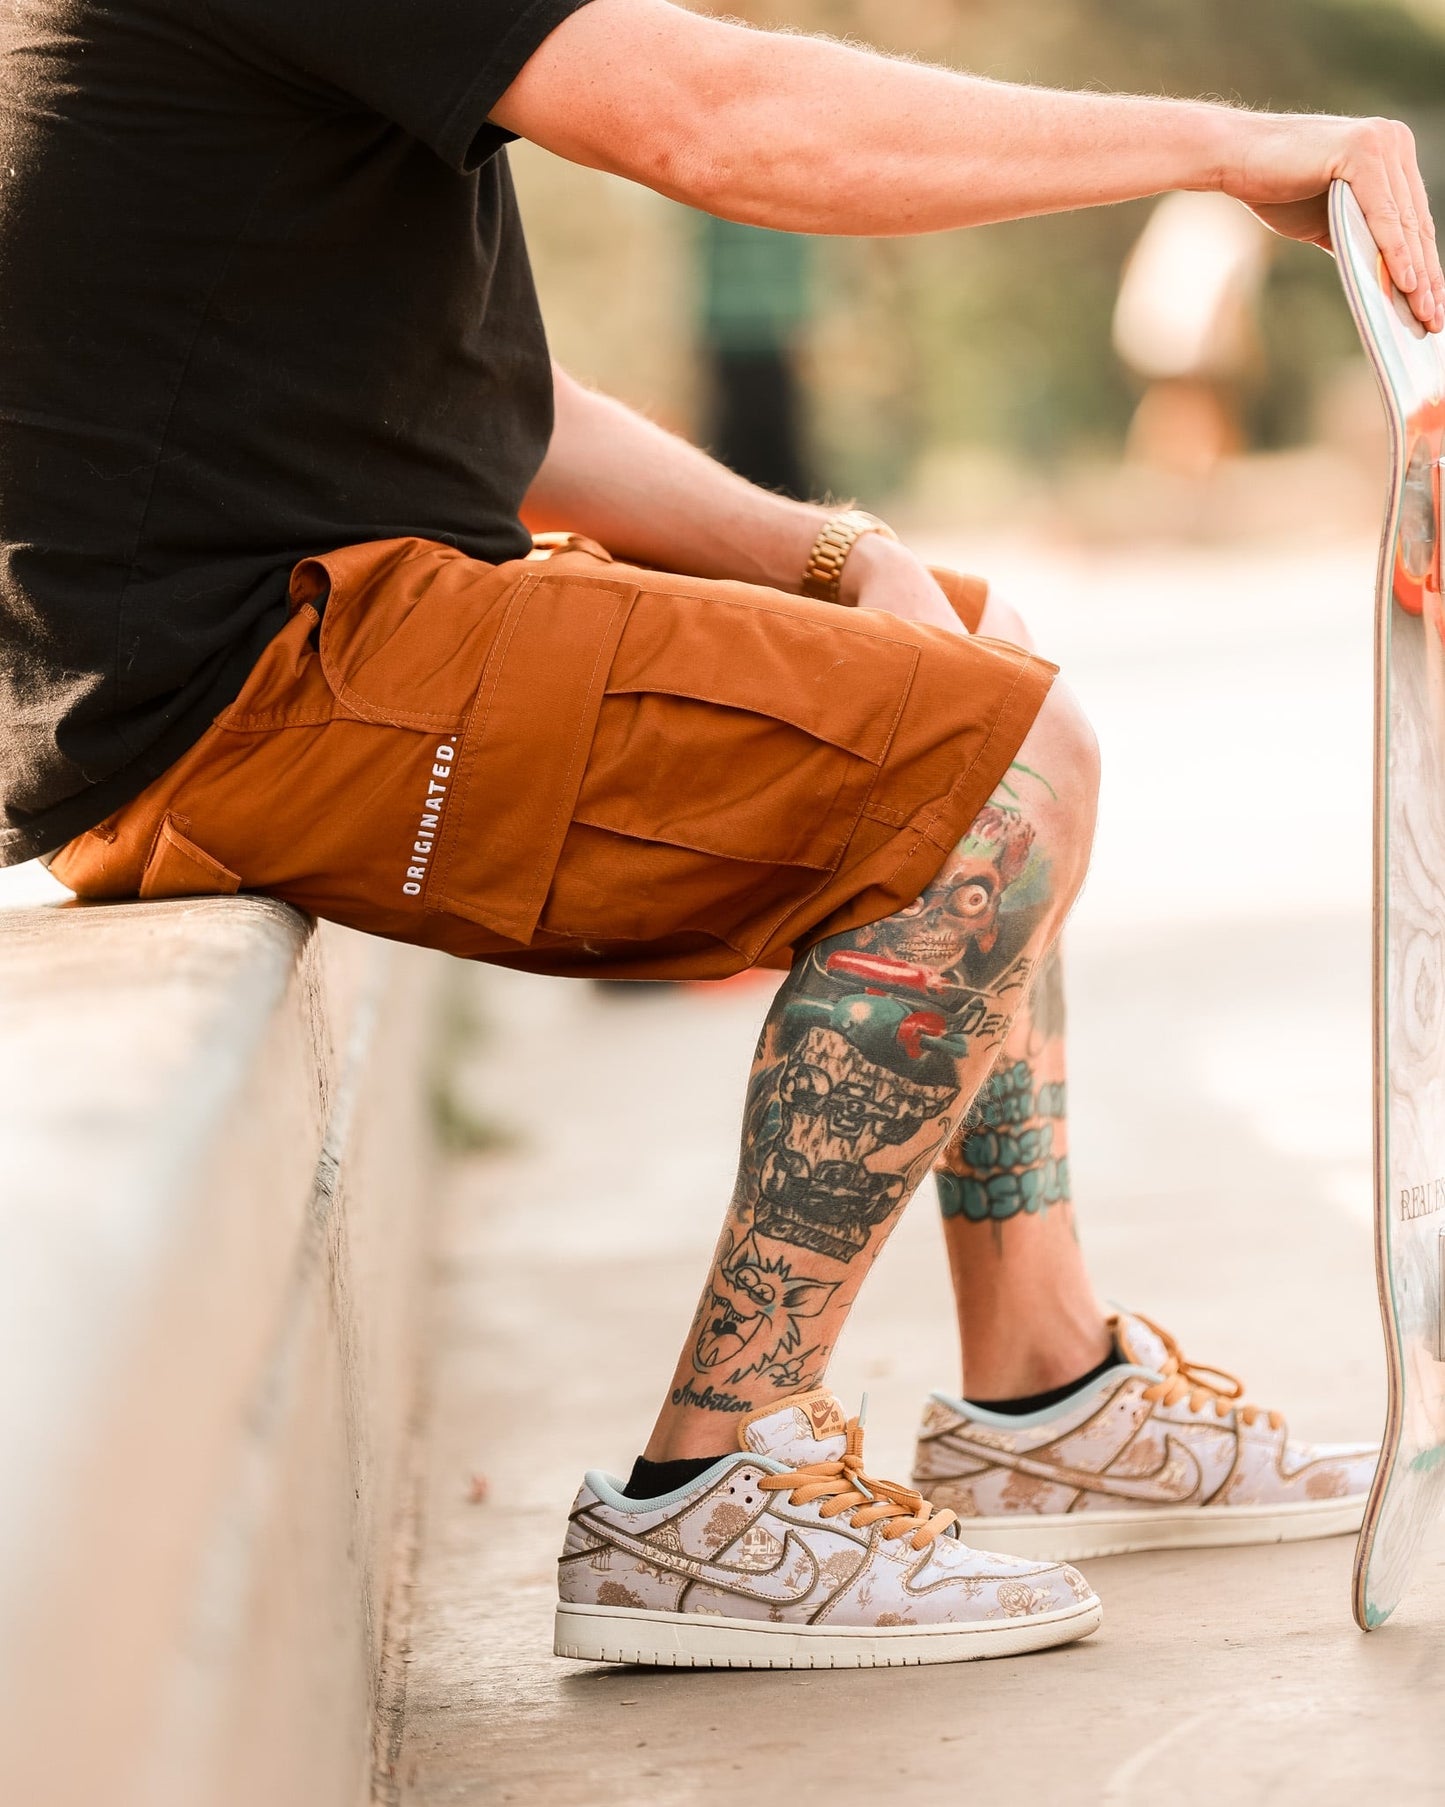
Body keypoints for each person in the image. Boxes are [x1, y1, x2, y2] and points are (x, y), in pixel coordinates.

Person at [1, 0, 1437, 1671]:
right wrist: (1225, 146)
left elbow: (467, 401)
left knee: (960, 659)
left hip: (299, 625)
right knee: (990, 768)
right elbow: (720, 122)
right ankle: (713, 1487)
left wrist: (820, 553)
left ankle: (1040, 1386)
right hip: (248, 679)